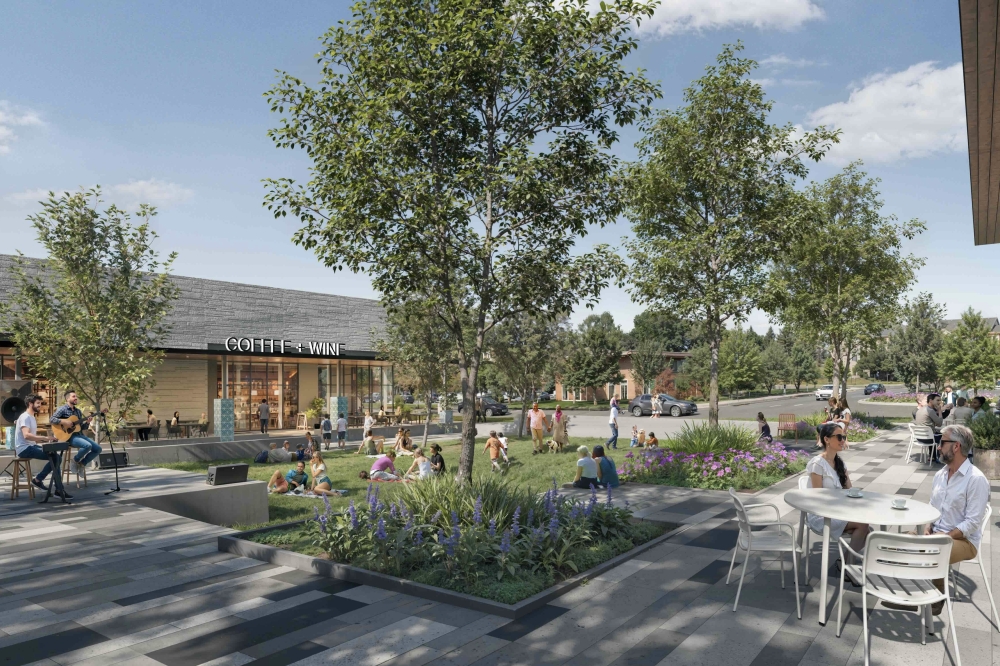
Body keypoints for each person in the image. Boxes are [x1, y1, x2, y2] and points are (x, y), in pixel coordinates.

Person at [923, 424, 990, 614]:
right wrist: (929, 525)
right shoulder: (940, 474)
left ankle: (935, 597)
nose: (938, 447)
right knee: (902, 541)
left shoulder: (976, 479)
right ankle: (909, 591)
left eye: (942, 442)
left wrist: (946, 535)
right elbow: (933, 505)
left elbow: (973, 522)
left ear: (956, 446)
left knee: (933, 547)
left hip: (965, 541)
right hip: (938, 533)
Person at [806, 423, 871, 564]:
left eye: (844, 437)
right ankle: (848, 567)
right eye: (839, 437)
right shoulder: (817, 463)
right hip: (821, 515)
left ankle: (845, 563)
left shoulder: (840, 463)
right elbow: (817, 497)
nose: (843, 440)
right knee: (863, 525)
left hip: (838, 511)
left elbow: (850, 490)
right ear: (827, 439)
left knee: (869, 531)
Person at [20, 394, 71, 499]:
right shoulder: (25, 417)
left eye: (40, 403)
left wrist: (45, 441)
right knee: (56, 458)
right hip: (24, 449)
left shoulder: (32, 417)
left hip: (31, 446)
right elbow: (26, 435)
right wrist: (46, 438)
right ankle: (57, 489)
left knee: (56, 457)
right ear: (30, 404)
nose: (40, 405)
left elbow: (32, 438)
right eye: (37, 403)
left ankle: (40, 481)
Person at [50, 390, 103, 476]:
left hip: (79, 435)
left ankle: (82, 464)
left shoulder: (78, 411)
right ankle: (75, 460)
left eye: (76, 396)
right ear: (68, 399)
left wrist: (88, 423)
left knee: (98, 449)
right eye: (73, 396)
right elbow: (52, 419)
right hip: (69, 437)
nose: (76, 398)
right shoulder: (62, 409)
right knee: (87, 445)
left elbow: (81, 428)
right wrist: (65, 422)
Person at [915, 392, 950, 463]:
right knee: (947, 436)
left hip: (919, 437)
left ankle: (933, 456)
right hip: (928, 438)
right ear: (930, 401)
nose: (939, 402)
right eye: (937, 400)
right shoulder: (930, 411)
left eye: (940, 400)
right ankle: (941, 457)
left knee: (934, 433)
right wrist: (940, 411)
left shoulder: (921, 409)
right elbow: (940, 424)